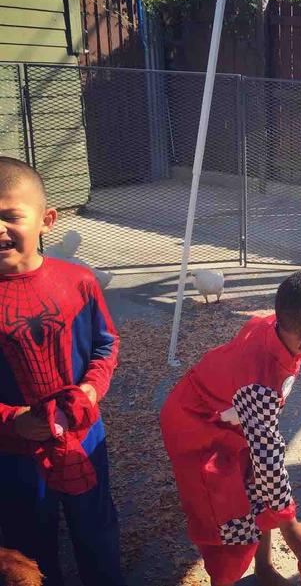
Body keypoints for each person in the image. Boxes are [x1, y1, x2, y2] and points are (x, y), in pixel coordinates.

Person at [160, 267, 301, 586]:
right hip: (197, 429)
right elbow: (268, 456)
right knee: (229, 522)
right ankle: (224, 580)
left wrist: (280, 510)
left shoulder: (276, 328)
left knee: (257, 487)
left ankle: (264, 568)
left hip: (233, 416)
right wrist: (289, 525)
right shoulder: (260, 384)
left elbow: (263, 454)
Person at [0, 157, 124, 586]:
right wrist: (13, 420)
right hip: (14, 452)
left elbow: (106, 344)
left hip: (83, 436)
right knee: (27, 545)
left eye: (11, 215)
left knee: (97, 528)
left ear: (46, 220)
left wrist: (91, 390)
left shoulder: (79, 282)